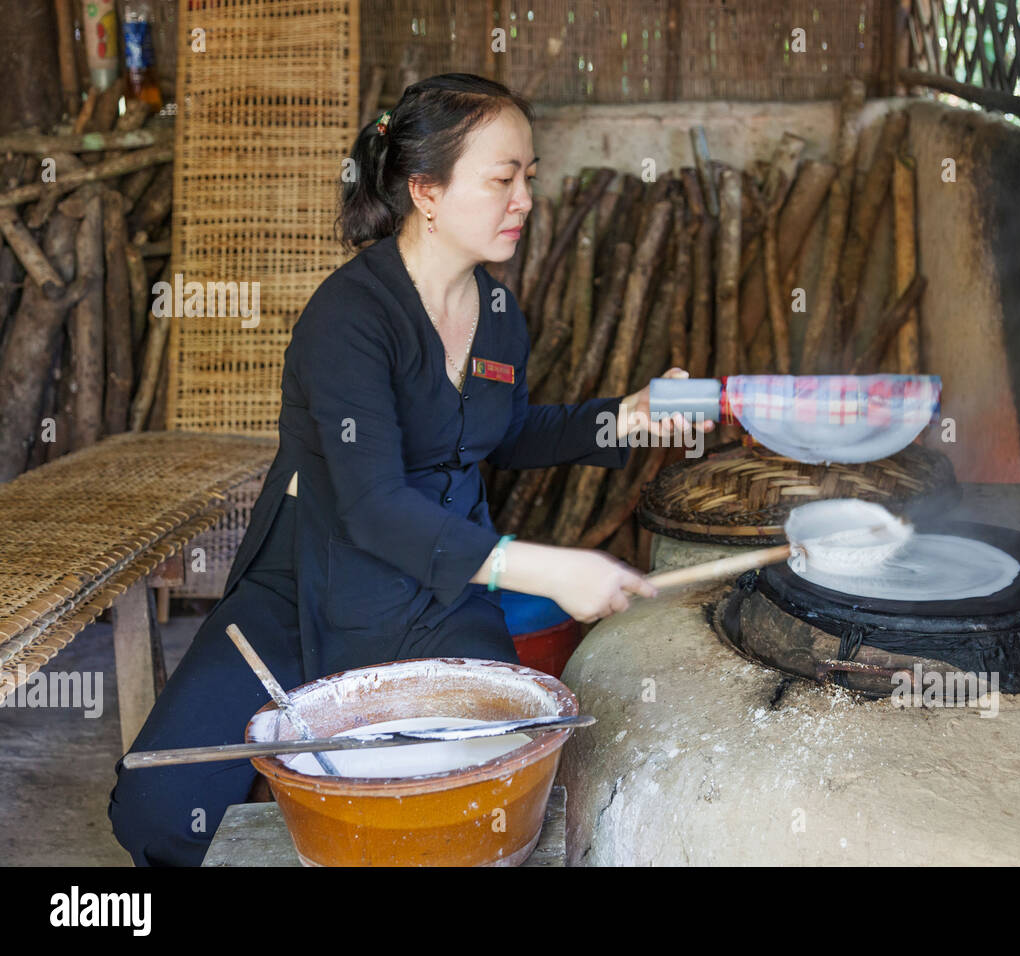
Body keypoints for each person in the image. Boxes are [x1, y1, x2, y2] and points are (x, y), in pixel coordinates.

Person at [107, 72, 712, 866]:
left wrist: (624, 416)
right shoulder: (350, 319)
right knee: (159, 810)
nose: (525, 198)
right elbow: (372, 505)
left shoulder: (496, 313)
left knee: (486, 789)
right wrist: (540, 568)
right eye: (502, 179)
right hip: (313, 582)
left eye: (529, 177)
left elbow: (500, 432)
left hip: (439, 587)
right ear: (426, 191)